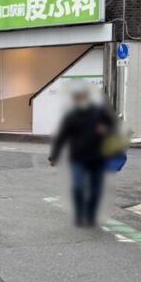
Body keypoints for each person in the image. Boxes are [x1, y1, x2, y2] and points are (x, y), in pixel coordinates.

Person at [48, 85, 117, 227]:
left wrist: (106, 130)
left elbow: (114, 128)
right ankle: (79, 214)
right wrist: (54, 156)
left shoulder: (99, 113)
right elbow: (62, 137)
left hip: (98, 158)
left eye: (82, 97)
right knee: (78, 187)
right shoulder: (71, 116)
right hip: (78, 158)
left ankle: (91, 216)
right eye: (77, 98)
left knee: (96, 191)